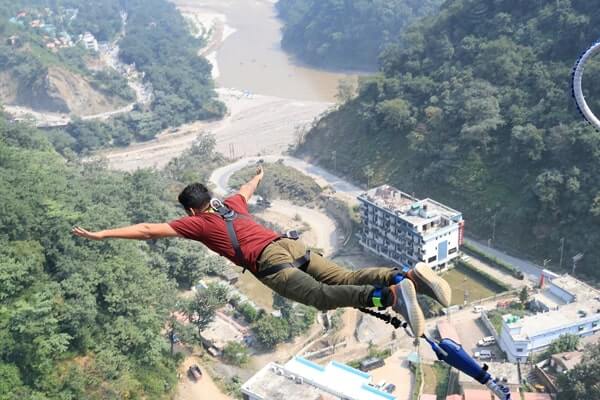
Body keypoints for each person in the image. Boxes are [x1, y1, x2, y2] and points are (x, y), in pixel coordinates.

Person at [72, 166, 451, 337]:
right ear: (210, 197)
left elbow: (145, 230)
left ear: (190, 209)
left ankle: (388, 295)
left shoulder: (196, 223)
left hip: (270, 262)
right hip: (291, 243)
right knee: (345, 277)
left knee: (320, 297)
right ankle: (409, 276)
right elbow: (246, 189)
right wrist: (258, 174)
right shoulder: (230, 204)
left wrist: (102, 234)